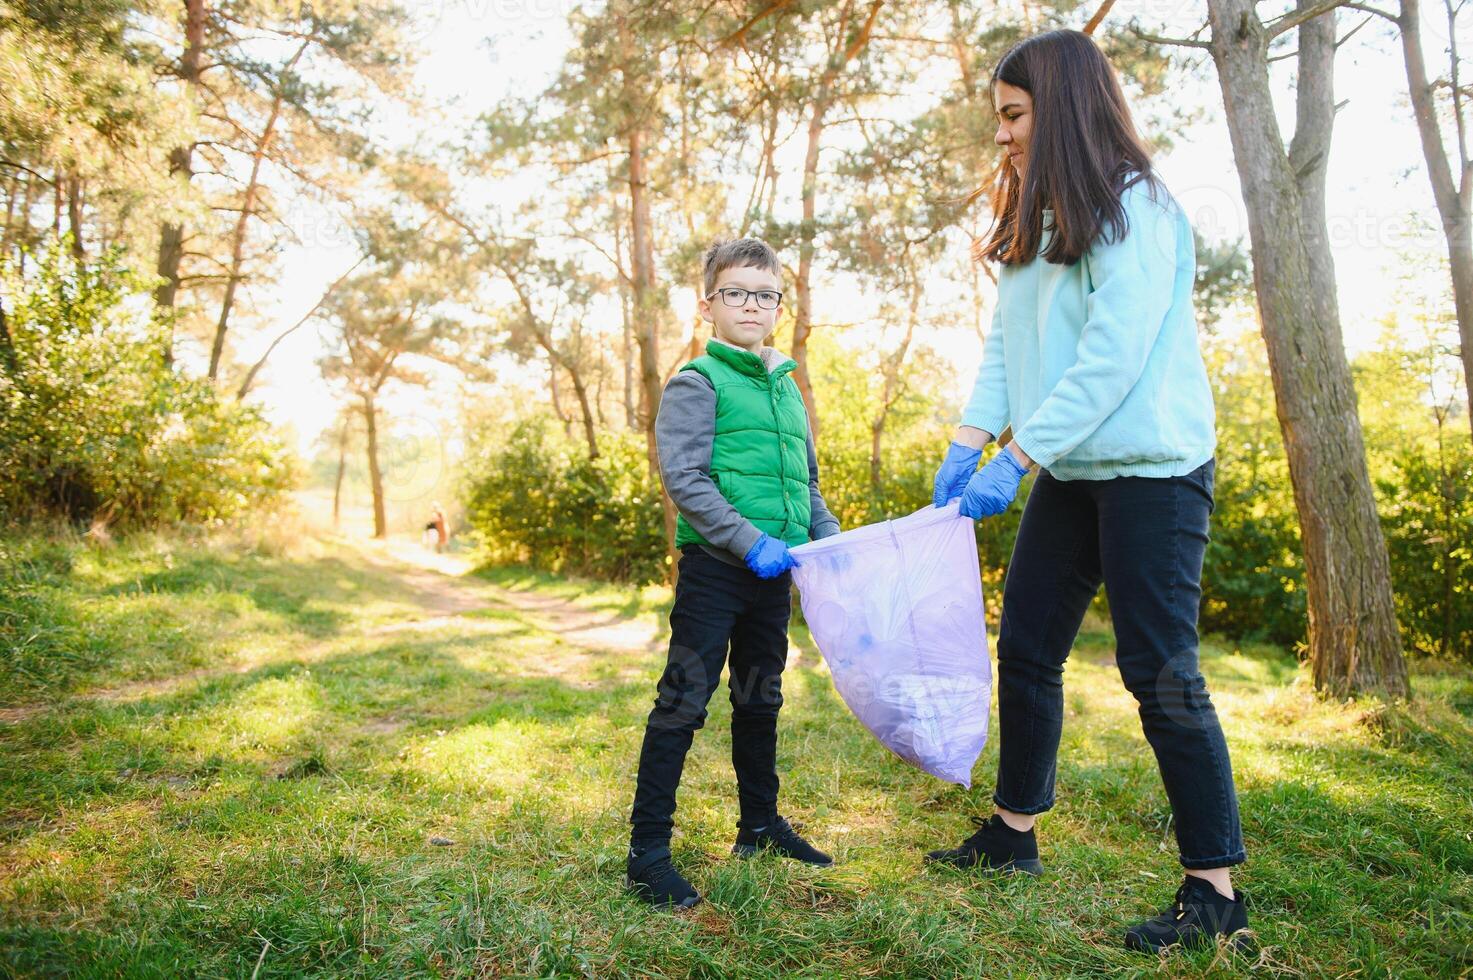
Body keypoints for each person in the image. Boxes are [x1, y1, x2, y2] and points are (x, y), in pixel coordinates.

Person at [926, 30, 1250, 954]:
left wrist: (1017, 455)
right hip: (1068, 466)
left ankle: (1213, 889)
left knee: (1159, 674)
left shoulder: (1137, 209)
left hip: (1151, 469)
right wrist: (967, 438)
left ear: (1061, 106)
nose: (1002, 137)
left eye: (1015, 115)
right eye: (1000, 118)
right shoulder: (1039, 215)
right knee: (1025, 649)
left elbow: (1110, 360)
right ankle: (1012, 834)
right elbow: (1009, 347)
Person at [624, 237, 842, 910]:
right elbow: (683, 478)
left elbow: (805, 482)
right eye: (736, 293)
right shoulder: (698, 381)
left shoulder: (787, 390)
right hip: (717, 571)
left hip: (772, 580)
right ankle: (648, 852)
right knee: (683, 701)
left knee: (759, 699)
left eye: (765, 294)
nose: (751, 305)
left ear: (780, 305)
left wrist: (829, 540)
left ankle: (758, 826)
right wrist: (747, 541)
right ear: (708, 305)